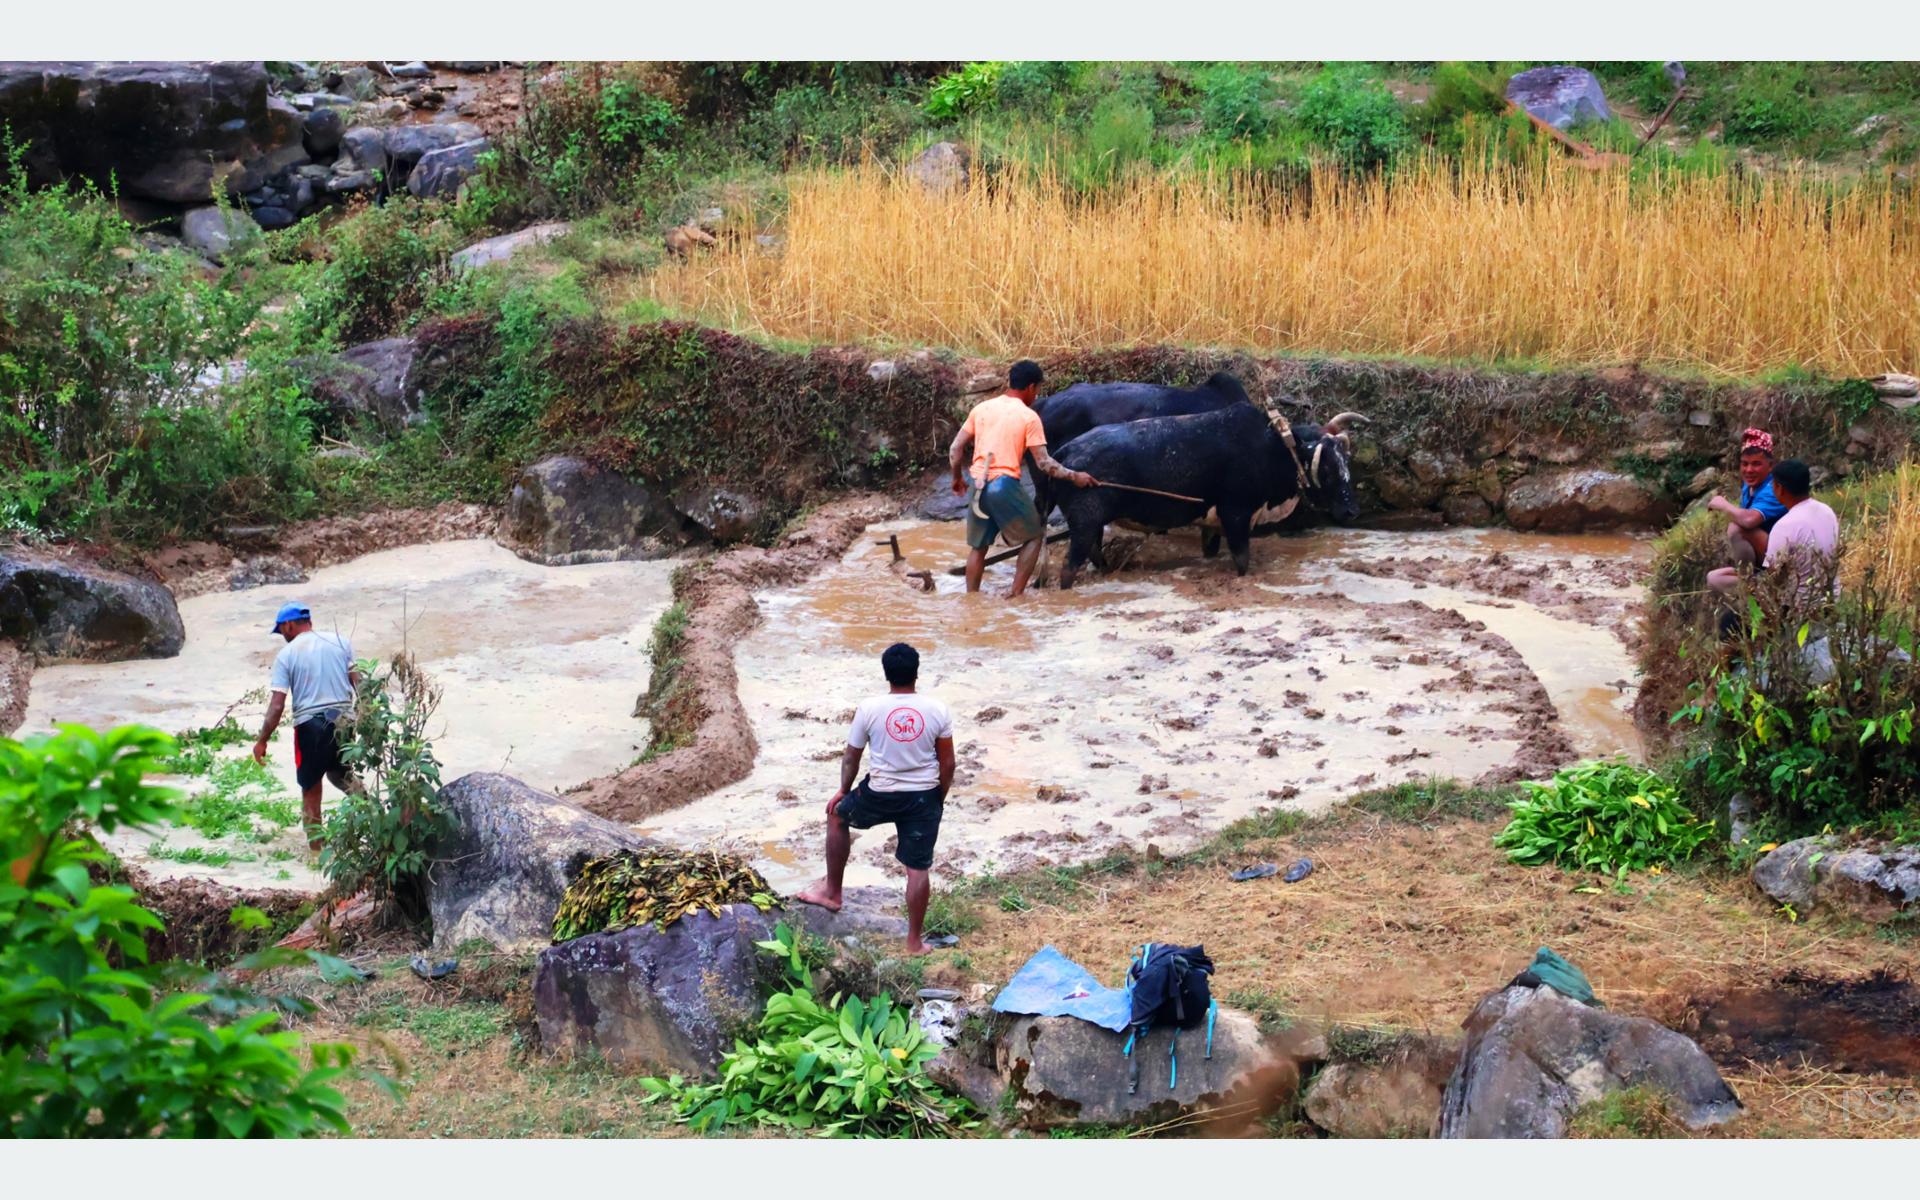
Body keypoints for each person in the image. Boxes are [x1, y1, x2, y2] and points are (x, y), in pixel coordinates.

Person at [794, 643, 954, 953]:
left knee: (837, 815)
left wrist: (843, 790)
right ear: (916, 673)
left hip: (879, 792)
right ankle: (914, 942)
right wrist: (938, 798)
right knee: (917, 868)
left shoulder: (869, 708)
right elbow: (947, 764)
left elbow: (852, 757)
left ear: (886, 674)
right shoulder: (937, 709)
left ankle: (833, 893)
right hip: (923, 796)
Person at [948, 360, 1099, 597]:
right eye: (1037, 389)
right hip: (1002, 484)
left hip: (977, 484)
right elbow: (1044, 463)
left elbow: (955, 449)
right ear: (1030, 387)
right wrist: (1075, 476)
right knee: (1034, 537)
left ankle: (972, 599)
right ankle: (1015, 595)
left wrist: (957, 478)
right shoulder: (1029, 417)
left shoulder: (982, 409)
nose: (1036, 394)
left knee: (978, 548)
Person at [252, 603, 361, 849]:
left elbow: (277, 706)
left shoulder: (287, 655)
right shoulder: (340, 642)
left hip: (311, 727)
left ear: (289, 625)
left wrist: (262, 740)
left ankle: (316, 853)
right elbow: (359, 683)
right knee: (340, 773)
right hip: (345, 720)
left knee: (311, 790)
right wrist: (367, 716)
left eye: (282, 631)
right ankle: (376, 817)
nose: (283, 637)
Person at [1706, 429, 1788, 595]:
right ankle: (1753, 588)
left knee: (1737, 528)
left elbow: (1750, 520)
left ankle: (1753, 582)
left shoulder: (1774, 489)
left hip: (1782, 563)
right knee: (1713, 579)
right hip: (1763, 560)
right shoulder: (1750, 486)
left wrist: (1723, 505)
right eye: (1745, 463)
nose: (1749, 469)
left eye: (1756, 464)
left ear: (1770, 466)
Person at [1759, 459, 1839, 600]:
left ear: (1780, 488)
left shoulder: (1784, 526)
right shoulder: (1827, 511)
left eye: (1773, 484)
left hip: (1798, 607)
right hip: (1832, 599)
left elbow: (1772, 579)